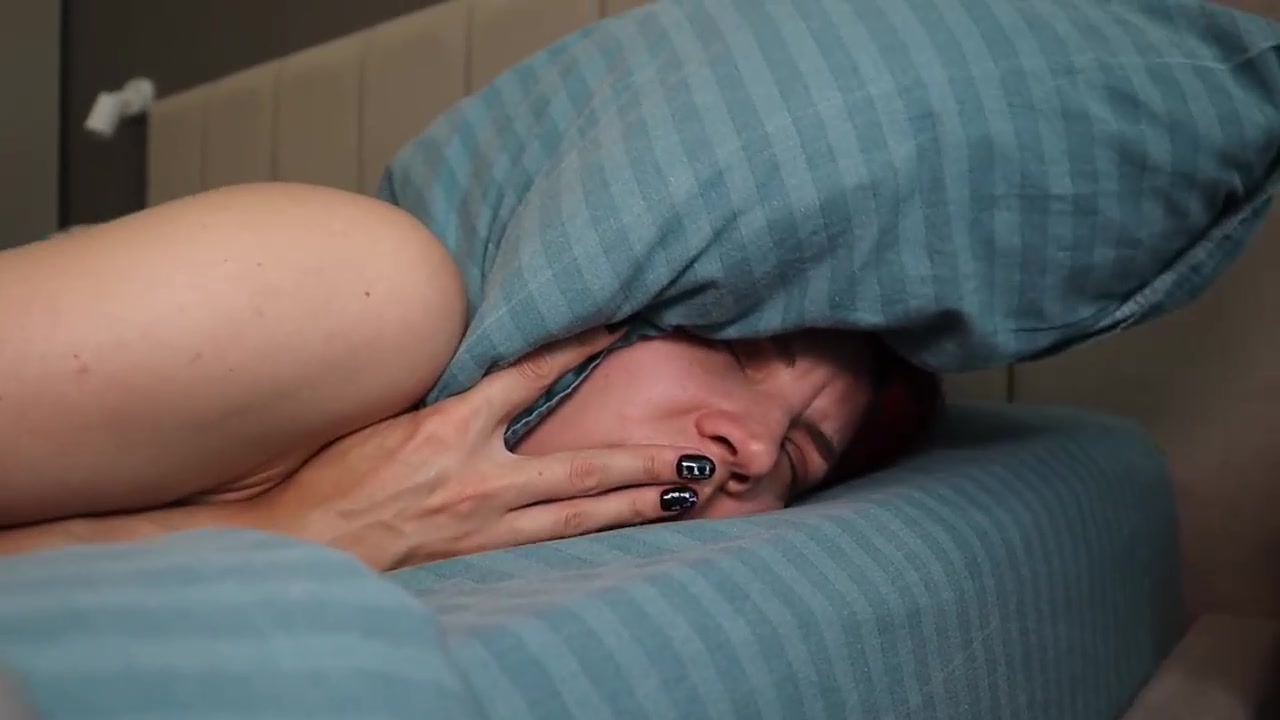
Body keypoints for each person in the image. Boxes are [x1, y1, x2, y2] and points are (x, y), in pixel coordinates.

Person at [0, 182, 941, 571]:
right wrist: (289, 533)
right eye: (735, 352)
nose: (758, 450)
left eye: (801, 460)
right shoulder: (363, 289)